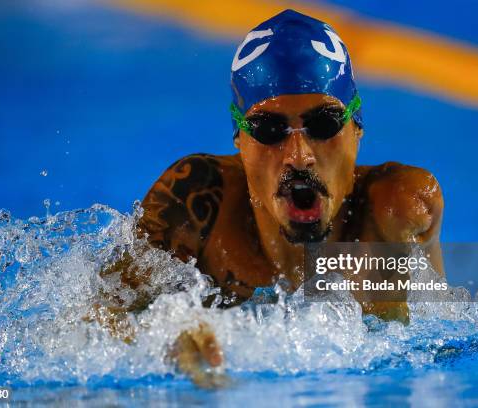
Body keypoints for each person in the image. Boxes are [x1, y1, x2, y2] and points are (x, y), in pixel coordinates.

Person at [99, 9, 444, 387]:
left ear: (356, 128)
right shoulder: (196, 203)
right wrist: (162, 335)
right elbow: (93, 316)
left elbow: (433, 350)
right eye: (268, 128)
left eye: (324, 123)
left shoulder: (395, 209)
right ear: (239, 140)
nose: (298, 155)